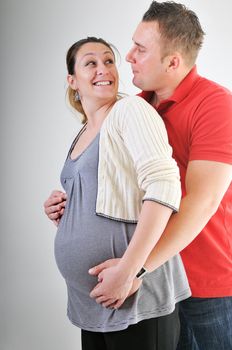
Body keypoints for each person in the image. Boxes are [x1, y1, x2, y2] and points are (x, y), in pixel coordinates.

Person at [44, 2, 232, 349]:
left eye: (140, 49)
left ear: (173, 62)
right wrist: (74, 210)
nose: (127, 56)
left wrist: (137, 268)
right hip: (148, 280)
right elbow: (121, 188)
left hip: (206, 285)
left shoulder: (214, 104)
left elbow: (202, 202)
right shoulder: (135, 106)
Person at [46, 36, 191, 350]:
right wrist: (65, 209)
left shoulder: (130, 110)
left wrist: (129, 269)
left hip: (135, 293)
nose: (104, 69)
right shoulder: (84, 131)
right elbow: (112, 195)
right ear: (72, 80)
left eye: (108, 60)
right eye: (91, 63)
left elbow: (164, 185)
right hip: (93, 302)